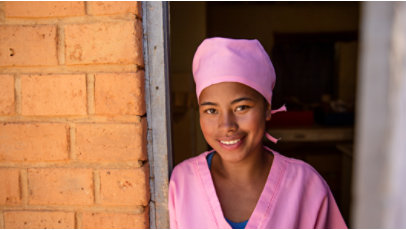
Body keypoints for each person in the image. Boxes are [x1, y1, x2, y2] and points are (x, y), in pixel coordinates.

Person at [168, 37, 347, 229]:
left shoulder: (306, 186)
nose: (227, 125)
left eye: (241, 107)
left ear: (268, 108)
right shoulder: (183, 183)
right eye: (211, 110)